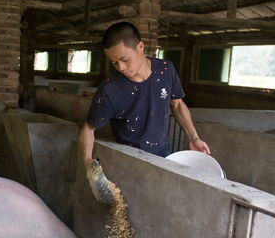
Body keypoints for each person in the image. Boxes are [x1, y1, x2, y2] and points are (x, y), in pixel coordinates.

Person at [78, 22, 210, 169]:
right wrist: (87, 161)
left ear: (140, 47)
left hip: (163, 157)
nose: (121, 68)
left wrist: (194, 137)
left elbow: (177, 104)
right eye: (114, 63)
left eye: (125, 59)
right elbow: (88, 129)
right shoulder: (110, 89)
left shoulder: (166, 70)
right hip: (128, 161)